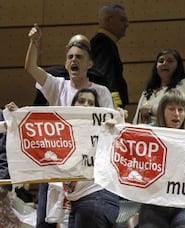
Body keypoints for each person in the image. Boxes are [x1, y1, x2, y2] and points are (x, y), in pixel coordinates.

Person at [25, 24, 114, 228]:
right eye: (70, 56)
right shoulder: (57, 85)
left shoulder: (102, 92)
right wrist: (34, 42)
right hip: (56, 168)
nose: (74, 60)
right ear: (66, 63)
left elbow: (111, 127)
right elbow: (31, 68)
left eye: (79, 57)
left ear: (89, 64)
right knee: (44, 223)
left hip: (86, 174)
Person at [138, 88, 185, 228]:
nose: (177, 114)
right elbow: (125, 132)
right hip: (155, 202)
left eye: (181, 110)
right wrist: (116, 121)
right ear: (162, 111)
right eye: (171, 109)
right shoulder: (149, 131)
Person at [64, 88, 120, 228]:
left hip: (97, 196)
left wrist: (117, 122)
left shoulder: (105, 128)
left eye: (91, 103)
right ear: (73, 105)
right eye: (81, 101)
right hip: (77, 199)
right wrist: (17, 116)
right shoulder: (65, 131)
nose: (86, 105)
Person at [132, 48, 185, 124]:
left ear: (178, 66)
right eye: (161, 61)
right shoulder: (148, 90)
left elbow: (180, 109)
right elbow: (137, 116)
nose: (164, 63)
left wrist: (150, 109)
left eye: (170, 61)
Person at [91, 2, 129, 108]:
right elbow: (105, 76)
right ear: (108, 20)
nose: (127, 24)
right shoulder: (103, 43)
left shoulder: (106, 42)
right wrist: (115, 105)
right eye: (122, 20)